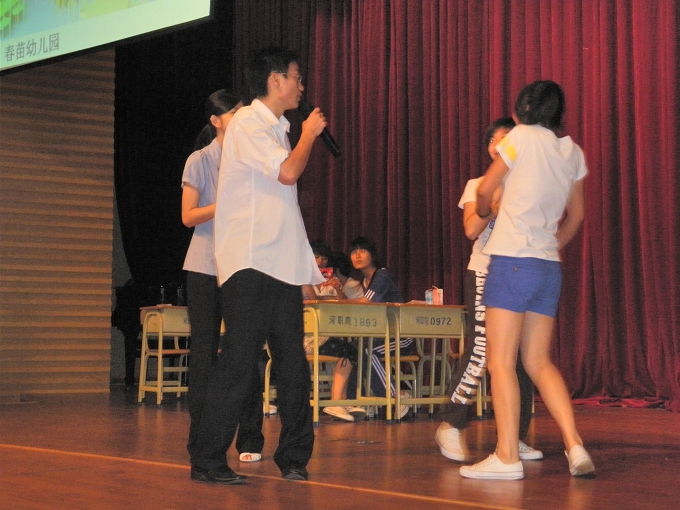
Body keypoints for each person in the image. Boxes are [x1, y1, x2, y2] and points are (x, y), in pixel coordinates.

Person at [189, 46, 327, 485]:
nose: (301, 85)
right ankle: (207, 459)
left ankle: (294, 456)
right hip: (250, 261)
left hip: (280, 262)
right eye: (296, 77)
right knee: (239, 360)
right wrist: (309, 135)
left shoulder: (278, 129)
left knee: (292, 362)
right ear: (275, 80)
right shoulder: (248, 122)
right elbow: (287, 173)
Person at [460, 80, 593, 480]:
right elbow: (577, 216)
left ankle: (506, 457)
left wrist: (486, 209)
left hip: (511, 261)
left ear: (522, 109)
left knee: (500, 362)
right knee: (538, 361)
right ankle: (574, 444)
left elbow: (486, 188)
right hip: (547, 266)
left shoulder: (518, 138)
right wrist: (549, 245)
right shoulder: (572, 151)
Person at [435, 118, 542, 462]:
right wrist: (495, 203)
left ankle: (513, 437)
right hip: (486, 271)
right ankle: (451, 423)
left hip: (521, 273)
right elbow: (470, 230)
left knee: (521, 358)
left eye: (506, 139)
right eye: (493, 141)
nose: (499, 146)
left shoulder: (531, 184)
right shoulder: (479, 185)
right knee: (481, 348)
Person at [181, 90, 266, 465]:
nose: (241, 118)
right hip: (203, 266)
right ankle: (200, 436)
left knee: (245, 350)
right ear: (216, 121)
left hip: (241, 266)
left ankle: (250, 437)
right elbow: (188, 216)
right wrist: (225, 203)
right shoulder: (199, 160)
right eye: (234, 113)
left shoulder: (250, 159)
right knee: (203, 353)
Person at [344, 236, 414, 419]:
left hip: (400, 335)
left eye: (362, 251)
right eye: (353, 252)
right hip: (381, 335)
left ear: (373, 255)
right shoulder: (364, 282)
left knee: (367, 351)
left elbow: (366, 302)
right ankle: (351, 402)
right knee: (353, 349)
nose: (357, 255)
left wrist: (337, 302)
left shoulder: (382, 275)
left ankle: (397, 396)